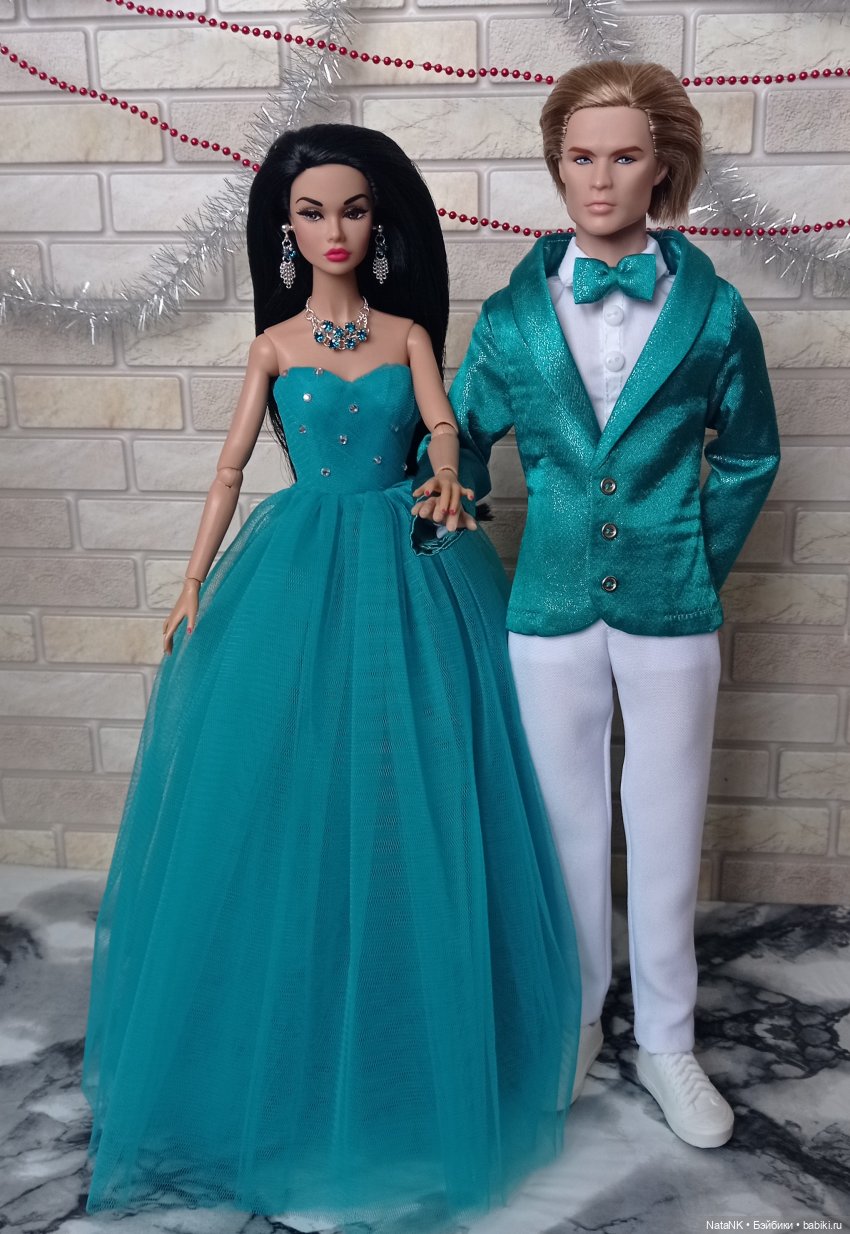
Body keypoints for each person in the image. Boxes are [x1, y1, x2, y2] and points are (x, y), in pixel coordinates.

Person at [82, 124, 580, 1224]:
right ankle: (287, 1012)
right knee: (281, 783)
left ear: (380, 222)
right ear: (285, 229)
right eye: (311, 213)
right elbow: (228, 470)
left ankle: (407, 1004)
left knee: (414, 784)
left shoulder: (407, 334)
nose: (334, 230)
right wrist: (191, 580)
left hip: (409, 564)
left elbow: (444, 426)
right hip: (296, 571)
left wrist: (444, 476)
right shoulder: (273, 345)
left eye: (353, 210)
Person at [441, 62, 780, 1150]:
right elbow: (457, 440)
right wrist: (444, 521)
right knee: (565, 825)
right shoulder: (509, 317)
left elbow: (750, 453)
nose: (600, 179)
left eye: (624, 156)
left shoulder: (713, 312)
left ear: (661, 166)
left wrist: (693, 557)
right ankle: (576, 1013)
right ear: (555, 164)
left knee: (668, 822)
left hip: (675, 606)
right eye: (580, 156)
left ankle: (668, 1038)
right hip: (546, 605)